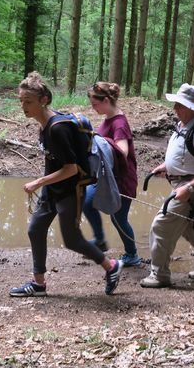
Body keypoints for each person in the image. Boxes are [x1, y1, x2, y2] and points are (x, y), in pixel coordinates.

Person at [9, 72, 123, 297]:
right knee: (35, 228)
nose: (24, 106)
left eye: (28, 102)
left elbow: (71, 168)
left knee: (72, 240)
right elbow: (53, 160)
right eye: (21, 101)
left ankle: (111, 266)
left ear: (43, 100)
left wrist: (38, 182)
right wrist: (45, 185)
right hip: (52, 189)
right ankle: (38, 284)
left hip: (70, 191)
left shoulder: (57, 128)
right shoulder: (43, 125)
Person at [140, 83, 194, 288]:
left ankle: (159, 275)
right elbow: (184, 157)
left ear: (193, 108)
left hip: (187, 187)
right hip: (179, 183)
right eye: (176, 103)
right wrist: (165, 167)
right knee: (189, 226)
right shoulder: (182, 126)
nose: (175, 108)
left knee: (160, 226)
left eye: (180, 105)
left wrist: (190, 188)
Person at [83, 82, 142, 267]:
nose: (93, 108)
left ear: (106, 100)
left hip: (122, 179)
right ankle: (100, 240)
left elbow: (122, 151)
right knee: (86, 201)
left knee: (118, 218)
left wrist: (101, 141)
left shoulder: (119, 123)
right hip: (107, 176)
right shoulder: (109, 118)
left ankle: (132, 254)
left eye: (95, 104)